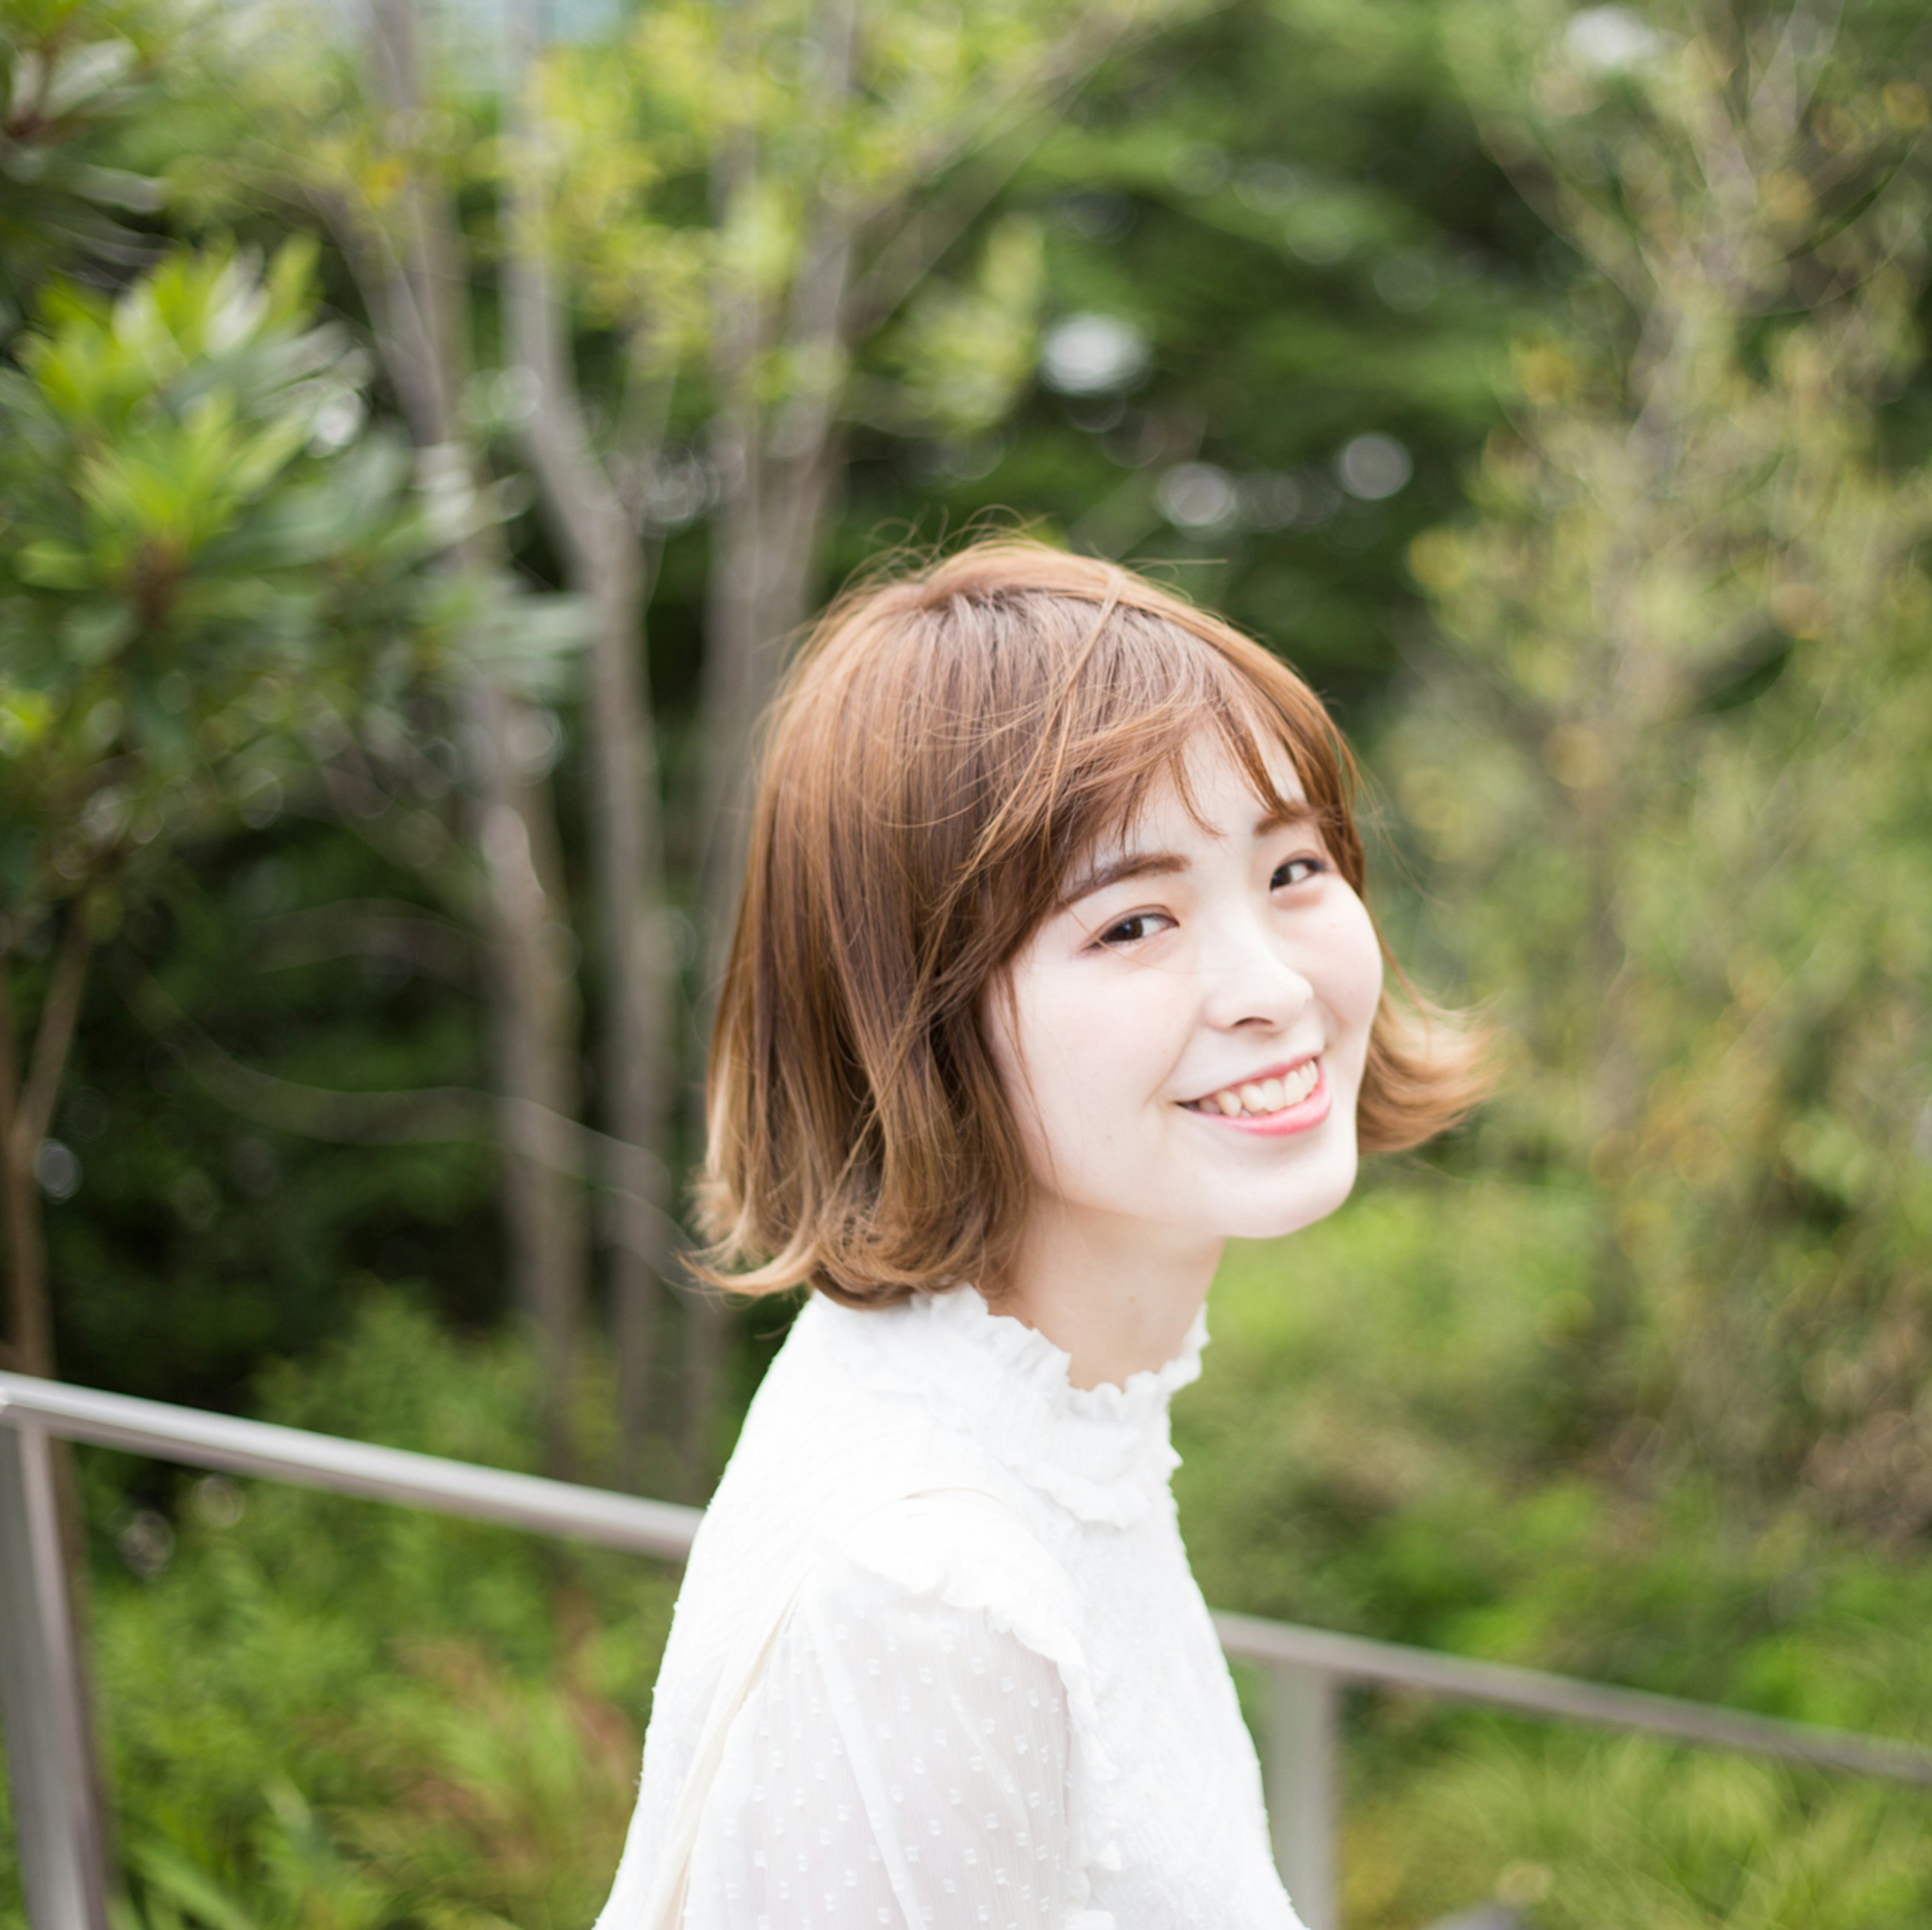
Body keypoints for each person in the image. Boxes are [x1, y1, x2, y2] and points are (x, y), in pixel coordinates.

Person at [593, 539, 1484, 1930]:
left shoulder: (1056, 1414)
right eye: (1134, 922)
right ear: (917, 1032)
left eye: (1296, 866)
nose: (1268, 986)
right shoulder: (927, 1594)